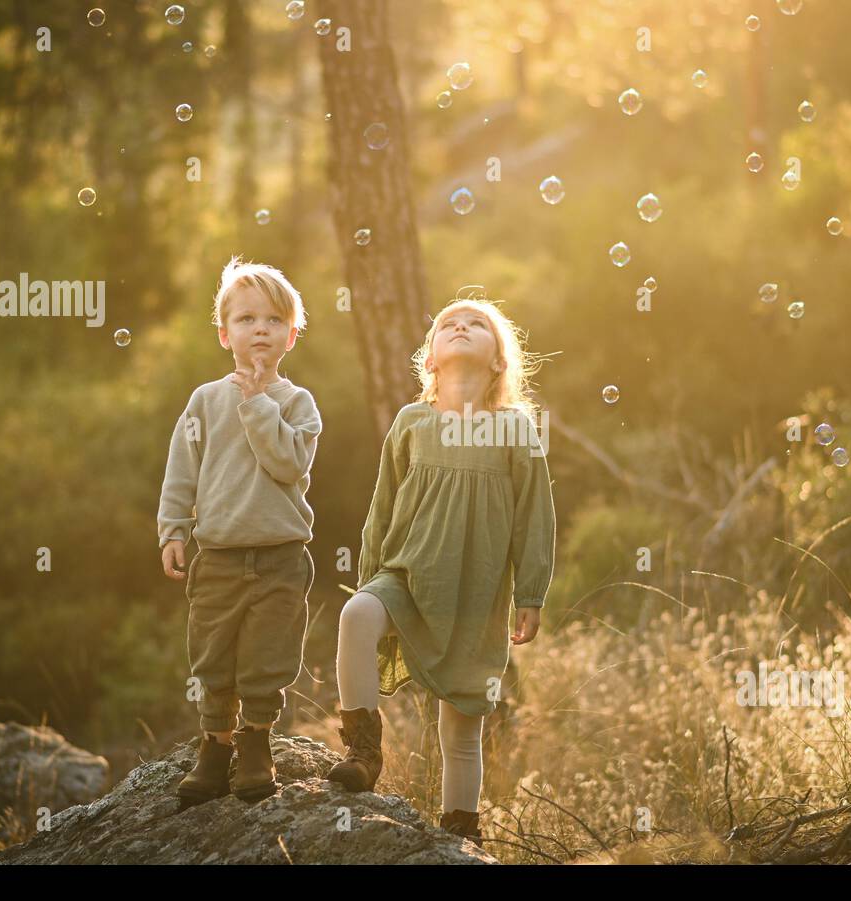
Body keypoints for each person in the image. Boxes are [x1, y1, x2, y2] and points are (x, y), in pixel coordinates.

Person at [327, 298, 556, 846]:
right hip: (404, 576)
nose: (460, 327)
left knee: (461, 728)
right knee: (356, 614)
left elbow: (535, 517)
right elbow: (381, 509)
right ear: (429, 360)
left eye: (477, 324)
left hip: (475, 596)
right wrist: (369, 576)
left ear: (499, 362)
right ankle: (363, 748)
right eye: (448, 324)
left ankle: (461, 831)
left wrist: (531, 592)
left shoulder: (516, 430)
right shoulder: (412, 422)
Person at [157, 256, 320, 805]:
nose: (260, 329)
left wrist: (256, 401)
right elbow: (182, 469)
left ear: (291, 335)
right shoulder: (205, 400)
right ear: (225, 333)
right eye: (248, 319)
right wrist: (173, 529)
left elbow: (287, 465)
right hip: (220, 557)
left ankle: (255, 741)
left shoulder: (297, 404)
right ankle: (215, 744)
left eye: (274, 320)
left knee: (266, 658)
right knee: (213, 656)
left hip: (280, 556)